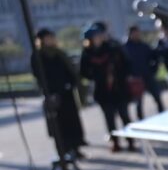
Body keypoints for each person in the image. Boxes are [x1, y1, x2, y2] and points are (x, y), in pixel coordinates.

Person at [31, 28, 86, 158]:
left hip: (66, 93)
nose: (50, 40)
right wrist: (49, 91)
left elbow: (70, 71)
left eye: (51, 37)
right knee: (58, 125)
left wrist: (71, 83)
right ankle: (63, 151)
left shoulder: (59, 53)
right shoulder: (38, 56)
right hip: (53, 95)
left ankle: (75, 148)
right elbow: (39, 75)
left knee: (72, 122)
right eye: (47, 38)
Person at [79, 22, 132, 151]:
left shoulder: (113, 47)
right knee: (109, 118)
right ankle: (115, 142)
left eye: (100, 35)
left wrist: (119, 75)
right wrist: (97, 76)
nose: (99, 37)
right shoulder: (87, 53)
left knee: (124, 115)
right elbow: (84, 72)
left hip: (118, 89)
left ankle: (131, 140)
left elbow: (126, 64)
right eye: (96, 36)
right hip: (102, 91)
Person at [123, 25, 163, 120]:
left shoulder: (144, 46)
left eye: (138, 33)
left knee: (157, 97)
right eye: (134, 33)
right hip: (136, 79)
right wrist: (129, 75)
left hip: (148, 76)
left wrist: (153, 70)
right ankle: (141, 119)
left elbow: (154, 57)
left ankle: (163, 115)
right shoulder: (125, 48)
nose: (137, 35)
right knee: (139, 102)